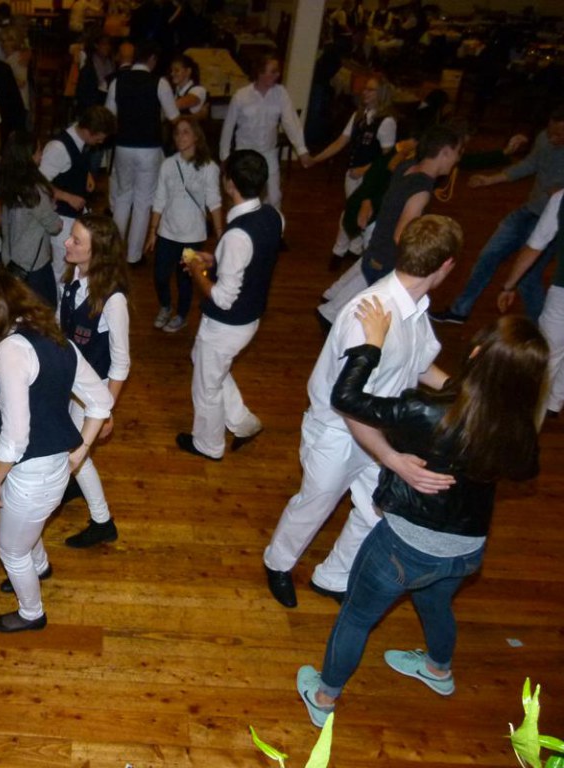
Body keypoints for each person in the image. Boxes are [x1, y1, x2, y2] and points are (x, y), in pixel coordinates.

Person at [297, 306, 545, 728]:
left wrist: (370, 346)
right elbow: (525, 468)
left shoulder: (425, 410)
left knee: (356, 616)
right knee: (435, 602)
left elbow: (347, 400)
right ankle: (437, 670)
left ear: (476, 352)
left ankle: (324, 697)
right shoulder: (516, 423)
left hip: (405, 547)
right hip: (466, 550)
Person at [263, 215, 462, 608]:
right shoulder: (367, 313)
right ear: (446, 265)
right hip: (337, 433)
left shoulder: (416, 306)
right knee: (315, 504)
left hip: (381, 432)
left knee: (376, 511)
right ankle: (277, 563)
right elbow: (350, 404)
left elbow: (420, 365)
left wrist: (465, 394)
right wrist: (393, 459)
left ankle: (333, 577)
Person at [0, 272, 113, 631]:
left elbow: (16, 437)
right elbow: (101, 400)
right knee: (28, 529)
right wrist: (80, 452)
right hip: (51, 468)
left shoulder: (11, 349)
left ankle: (31, 613)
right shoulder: (60, 341)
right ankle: (39, 567)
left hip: (29, 473)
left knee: (11, 551)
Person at [175, 149, 280, 461]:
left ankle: (208, 445)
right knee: (206, 363)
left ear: (229, 183)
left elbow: (222, 297)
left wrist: (197, 271)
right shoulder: (272, 216)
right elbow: (252, 261)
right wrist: (215, 260)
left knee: (206, 386)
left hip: (227, 325)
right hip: (250, 317)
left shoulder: (237, 235)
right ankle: (242, 422)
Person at [317, 124, 463, 326]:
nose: (458, 159)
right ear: (445, 151)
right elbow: (401, 235)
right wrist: (425, 261)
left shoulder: (406, 166)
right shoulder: (421, 189)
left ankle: (329, 314)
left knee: (351, 300)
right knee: (362, 311)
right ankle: (330, 318)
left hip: (377, 247)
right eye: (457, 152)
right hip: (387, 258)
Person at [430, 107, 564, 325]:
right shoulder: (543, 139)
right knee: (488, 255)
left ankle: (543, 331)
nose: (552, 138)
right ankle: (459, 311)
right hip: (528, 211)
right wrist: (491, 179)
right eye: (550, 132)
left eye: (559, 134)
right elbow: (529, 164)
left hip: (553, 223)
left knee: (528, 277)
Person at [58, 214, 130, 547]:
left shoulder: (113, 300)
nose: (66, 243)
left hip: (92, 390)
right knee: (72, 445)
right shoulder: (72, 277)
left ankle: (103, 521)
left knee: (75, 449)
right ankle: (73, 484)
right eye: (70, 236)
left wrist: (106, 409)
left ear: (96, 252)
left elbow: (121, 362)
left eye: (76, 240)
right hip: (71, 383)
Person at [307, 76, 397, 271]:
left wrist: (364, 169)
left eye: (371, 89)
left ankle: (339, 251)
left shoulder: (386, 122)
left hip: (370, 177)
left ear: (381, 94)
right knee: (353, 210)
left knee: (352, 211)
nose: (365, 92)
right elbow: (341, 141)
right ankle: (354, 249)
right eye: (365, 89)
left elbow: (388, 158)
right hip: (352, 173)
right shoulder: (358, 116)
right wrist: (316, 159)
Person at [146, 116, 223, 333]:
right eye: (177, 133)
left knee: (185, 279)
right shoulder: (168, 164)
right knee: (160, 275)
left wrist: (220, 233)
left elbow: (214, 201)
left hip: (193, 236)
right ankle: (165, 306)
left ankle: (181, 315)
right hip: (167, 232)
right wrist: (152, 231)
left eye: (186, 132)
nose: (180, 137)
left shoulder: (209, 167)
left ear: (196, 136)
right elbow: (159, 198)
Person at [105, 40, 179, 265]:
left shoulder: (117, 81)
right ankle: (134, 255)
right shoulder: (160, 83)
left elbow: (109, 116)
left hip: (123, 146)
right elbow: (174, 117)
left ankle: (115, 251)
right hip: (149, 148)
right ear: (152, 60)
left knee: (122, 197)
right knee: (143, 201)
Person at [497, 188, 564, 419]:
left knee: (549, 353)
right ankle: (554, 401)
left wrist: (509, 285)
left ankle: (538, 413)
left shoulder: (561, 199)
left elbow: (535, 245)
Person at [219, 54, 310, 212]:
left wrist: (301, 149)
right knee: (242, 196)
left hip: (268, 153)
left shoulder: (280, 93)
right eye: (273, 71)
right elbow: (228, 128)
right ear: (260, 72)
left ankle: (271, 223)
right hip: (245, 154)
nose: (277, 75)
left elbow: (291, 122)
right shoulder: (241, 96)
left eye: (277, 71)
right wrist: (224, 156)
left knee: (275, 197)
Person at [39, 105, 116, 283]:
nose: (100, 142)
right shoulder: (58, 148)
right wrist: (67, 197)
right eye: (99, 138)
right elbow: (39, 183)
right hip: (60, 217)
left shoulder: (79, 140)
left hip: (73, 217)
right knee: (62, 268)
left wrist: (85, 174)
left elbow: (72, 163)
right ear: (89, 131)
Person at [0, 131, 62, 307]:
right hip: (34, 264)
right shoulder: (34, 190)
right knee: (46, 308)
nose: (41, 155)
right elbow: (55, 226)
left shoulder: (6, 180)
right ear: (29, 155)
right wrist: (53, 209)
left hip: (11, 259)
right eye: (39, 150)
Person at [170, 54, 208, 120]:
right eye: (171, 70)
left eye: (176, 70)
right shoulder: (175, 90)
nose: (172, 74)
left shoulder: (198, 90)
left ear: (188, 71)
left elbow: (175, 106)